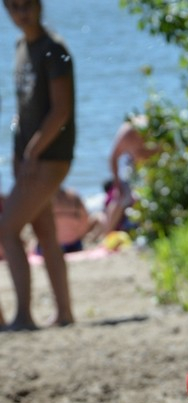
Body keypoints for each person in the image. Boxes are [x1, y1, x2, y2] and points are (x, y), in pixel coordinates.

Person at [0, 0, 75, 330]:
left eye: (27, 5)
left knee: (7, 230)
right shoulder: (21, 47)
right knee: (45, 232)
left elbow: (61, 110)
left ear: (39, 5)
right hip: (29, 158)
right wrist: (18, 153)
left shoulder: (53, 49)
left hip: (49, 157)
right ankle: (64, 314)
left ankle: (23, 317)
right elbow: (24, 109)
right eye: (13, 6)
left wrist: (32, 151)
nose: (22, 13)